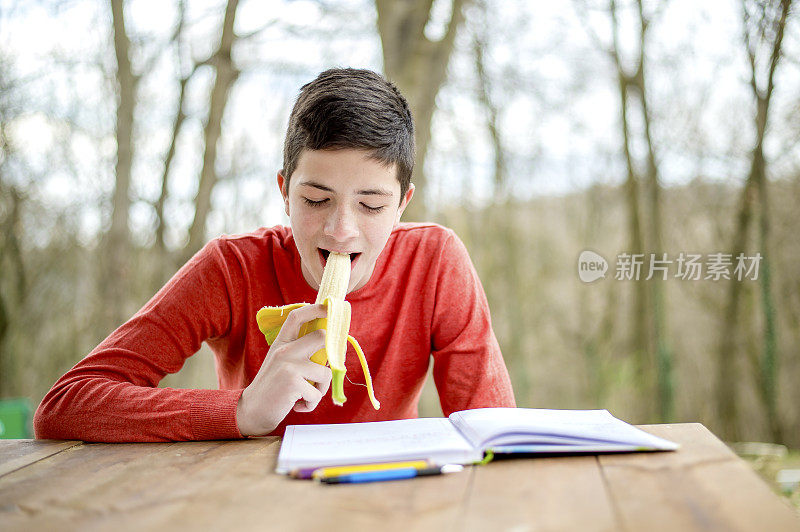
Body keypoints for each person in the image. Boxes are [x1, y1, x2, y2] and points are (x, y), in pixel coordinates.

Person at [33, 68, 515, 442]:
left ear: (402, 204)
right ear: (284, 191)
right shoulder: (231, 268)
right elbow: (65, 405)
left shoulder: (436, 261)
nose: (340, 230)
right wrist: (241, 410)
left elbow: (491, 430)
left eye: (370, 204)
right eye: (315, 199)